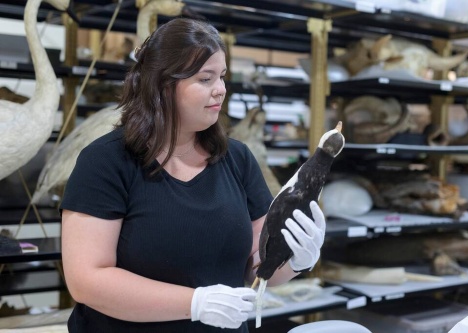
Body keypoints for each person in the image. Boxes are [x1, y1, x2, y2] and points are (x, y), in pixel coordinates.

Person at [61, 17, 326, 333]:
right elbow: (87, 280)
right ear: (161, 85)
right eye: (205, 79)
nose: (221, 90)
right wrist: (194, 303)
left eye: (222, 77)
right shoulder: (106, 162)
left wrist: (293, 259)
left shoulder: (237, 159)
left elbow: (256, 267)